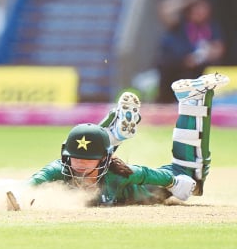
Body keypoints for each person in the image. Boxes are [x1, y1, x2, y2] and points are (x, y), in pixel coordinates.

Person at [22, 74, 230, 206]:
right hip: (108, 154)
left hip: (159, 186)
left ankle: (192, 99)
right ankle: (113, 134)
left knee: (194, 174)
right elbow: (32, 182)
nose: (79, 168)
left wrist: (174, 181)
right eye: (75, 160)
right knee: (95, 146)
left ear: (104, 161)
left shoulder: (118, 175)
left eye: (87, 163)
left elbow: (147, 174)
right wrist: (16, 193)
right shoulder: (58, 170)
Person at [156, 0, 225, 104]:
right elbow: (164, 10)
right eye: (196, 8)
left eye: (203, 8)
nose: (200, 12)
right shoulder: (180, 25)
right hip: (176, 69)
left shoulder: (212, 27)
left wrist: (203, 56)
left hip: (199, 71)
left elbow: (219, 49)